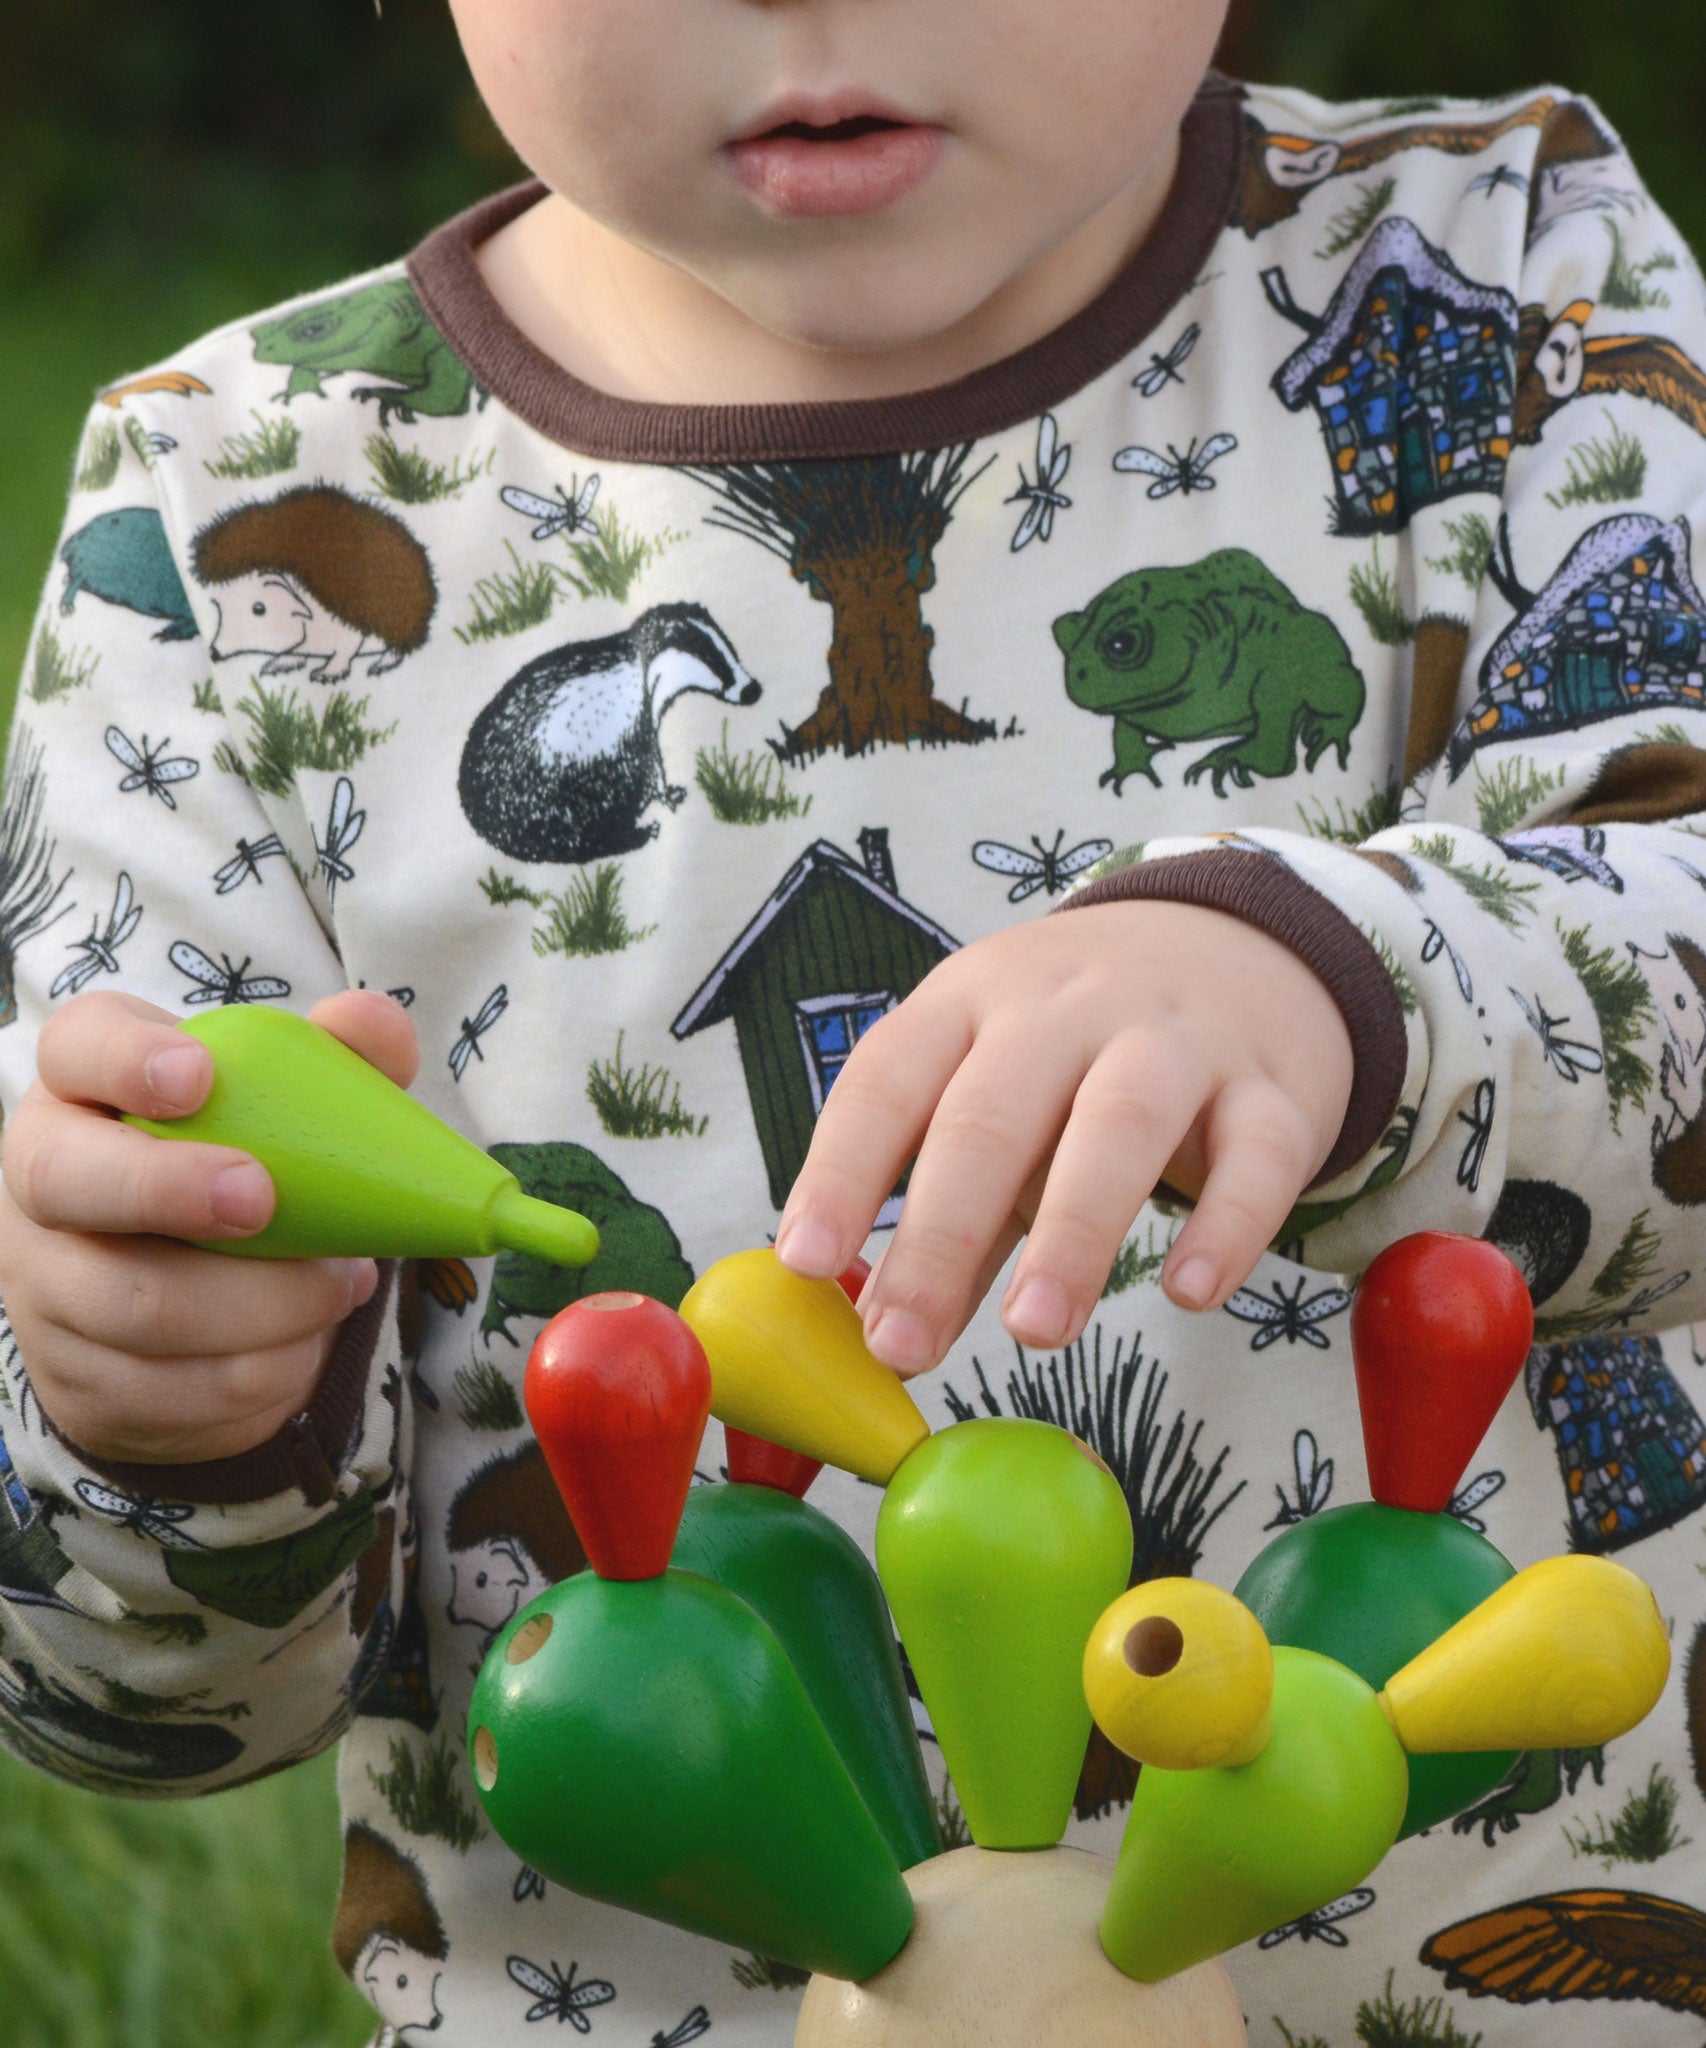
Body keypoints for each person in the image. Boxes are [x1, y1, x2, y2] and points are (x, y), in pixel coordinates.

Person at [1, 1, 1704, 2038]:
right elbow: (143, 1718)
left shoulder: (1491, 278)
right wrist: (156, 1428)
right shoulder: (219, 517)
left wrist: (1343, 980)